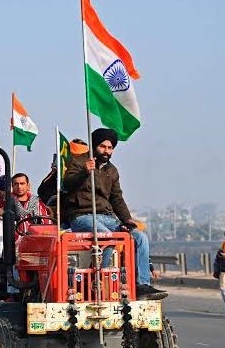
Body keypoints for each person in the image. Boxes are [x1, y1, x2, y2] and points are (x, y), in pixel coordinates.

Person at [64, 128, 164, 300]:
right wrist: (84, 173)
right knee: (107, 237)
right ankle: (96, 281)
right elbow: (67, 185)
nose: (106, 151)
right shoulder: (79, 162)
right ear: (94, 146)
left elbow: (117, 198)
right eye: (103, 147)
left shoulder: (112, 170)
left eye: (110, 148)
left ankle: (141, 285)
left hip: (107, 217)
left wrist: (127, 220)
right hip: (83, 216)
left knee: (140, 237)